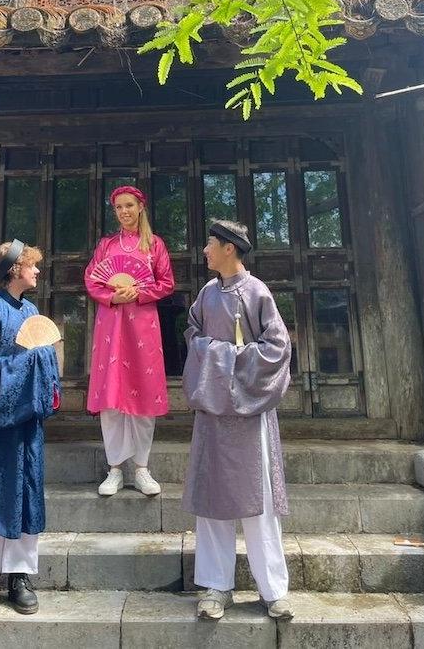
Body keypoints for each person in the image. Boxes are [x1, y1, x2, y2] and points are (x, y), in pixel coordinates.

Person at [182, 219, 294, 621]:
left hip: (249, 414)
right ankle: (216, 586)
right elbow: (193, 333)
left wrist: (231, 359)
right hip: (215, 411)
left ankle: (273, 590)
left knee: (257, 498)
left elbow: (278, 347)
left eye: (211, 244)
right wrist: (214, 351)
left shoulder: (257, 292)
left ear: (230, 248)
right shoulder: (208, 294)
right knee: (213, 500)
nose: (205, 250)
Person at [0, 239, 61, 617]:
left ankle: (19, 575)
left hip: (26, 421)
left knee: (27, 490)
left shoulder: (32, 310)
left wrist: (42, 363)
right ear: (14, 270)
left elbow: (45, 356)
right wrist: (23, 367)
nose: (37, 271)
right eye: (32, 265)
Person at [85, 185, 175, 497]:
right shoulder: (106, 245)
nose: (124, 212)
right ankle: (115, 469)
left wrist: (139, 292)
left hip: (142, 325)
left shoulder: (155, 245)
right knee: (112, 395)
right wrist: (112, 294)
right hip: (111, 324)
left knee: (143, 393)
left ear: (140, 208)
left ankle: (141, 468)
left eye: (129, 206)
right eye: (119, 207)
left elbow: (166, 283)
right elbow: (92, 279)